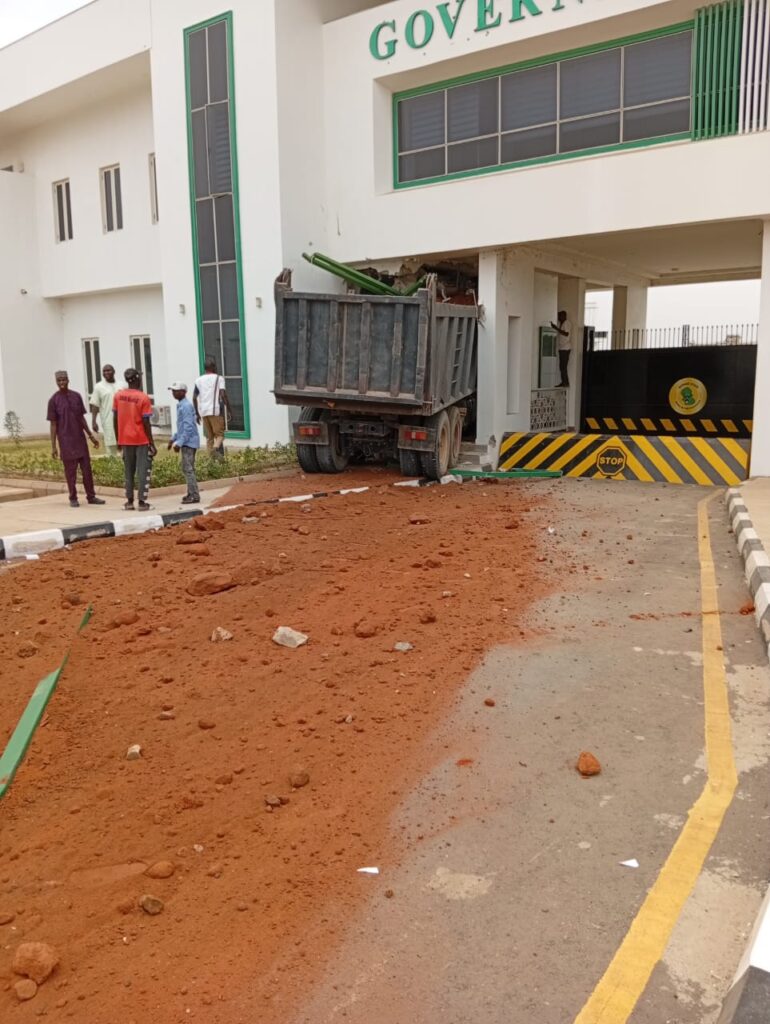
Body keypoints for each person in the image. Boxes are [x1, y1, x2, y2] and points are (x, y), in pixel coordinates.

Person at [47, 371, 106, 509]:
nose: (62, 382)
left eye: (64, 379)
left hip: (80, 439)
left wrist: (90, 436)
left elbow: (81, 418)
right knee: (70, 472)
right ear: (56, 382)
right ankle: (73, 497)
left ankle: (91, 496)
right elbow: (53, 424)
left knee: (87, 470)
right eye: (59, 380)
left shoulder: (76, 396)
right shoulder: (53, 400)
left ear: (68, 380)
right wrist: (54, 446)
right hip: (65, 441)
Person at [113, 367, 156, 511]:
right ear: (138, 379)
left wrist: (118, 439)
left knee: (128, 471)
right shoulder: (143, 398)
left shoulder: (118, 396)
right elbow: (146, 422)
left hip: (125, 439)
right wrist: (151, 443)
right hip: (141, 439)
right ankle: (142, 502)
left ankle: (129, 501)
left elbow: (115, 419)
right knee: (143, 471)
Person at [167, 382, 200, 505]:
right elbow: (182, 427)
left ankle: (194, 495)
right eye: (173, 391)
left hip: (188, 442)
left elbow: (188, 427)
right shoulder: (181, 405)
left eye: (176, 391)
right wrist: (173, 439)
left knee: (188, 469)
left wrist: (179, 443)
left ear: (183, 392)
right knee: (187, 468)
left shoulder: (185, 406)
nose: (173, 393)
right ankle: (191, 493)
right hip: (187, 441)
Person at [193, 357, 231, 458]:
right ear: (214, 367)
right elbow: (223, 395)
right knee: (220, 435)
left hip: (204, 412)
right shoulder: (219, 378)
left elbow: (194, 398)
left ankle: (210, 460)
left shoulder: (198, 380)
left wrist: (197, 413)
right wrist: (229, 409)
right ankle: (215, 449)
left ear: (205, 368)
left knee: (209, 438)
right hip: (215, 411)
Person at [89, 364, 121, 456]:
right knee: (111, 448)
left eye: (108, 370)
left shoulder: (122, 385)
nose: (106, 372)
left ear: (114, 371)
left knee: (125, 446)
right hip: (108, 421)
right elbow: (95, 404)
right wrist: (94, 421)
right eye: (104, 371)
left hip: (123, 421)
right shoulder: (99, 386)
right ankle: (112, 463)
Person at [550, 310, 572, 388]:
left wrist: (556, 328)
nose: (558, 318)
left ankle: (565, 383)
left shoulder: (567, 323)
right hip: (562, 348)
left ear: (564, 316)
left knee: (563, 366)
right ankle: (564, 382)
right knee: (561, 366)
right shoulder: (561, 323)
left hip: (565, 348)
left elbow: (566, 333)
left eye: (559, 316)